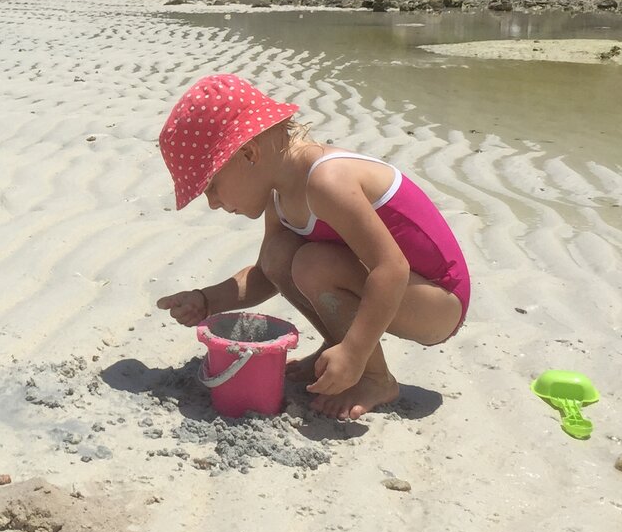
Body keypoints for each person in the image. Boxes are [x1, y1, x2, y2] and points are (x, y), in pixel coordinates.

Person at [155, 73, 470, 421]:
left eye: (212, 185)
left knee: (314, 263)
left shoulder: (326, 181)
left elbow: (391, 268)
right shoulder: (278, 196)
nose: (212, 203)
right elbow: (265, 275)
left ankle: (376, 378)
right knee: (278, 256)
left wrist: (354, 351)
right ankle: (336, 346)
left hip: (440, 302)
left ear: (248, 153)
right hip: (403, 292)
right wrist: (207, 299)